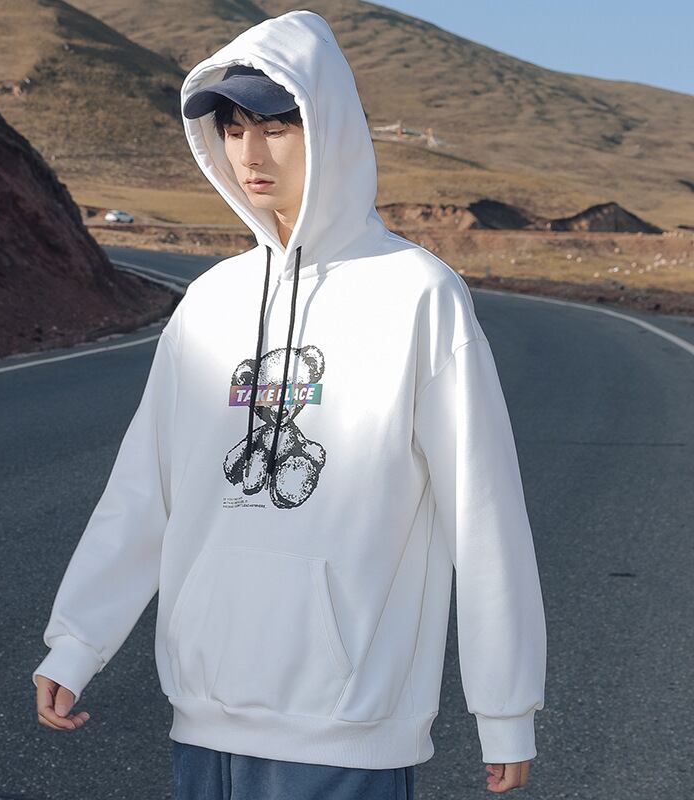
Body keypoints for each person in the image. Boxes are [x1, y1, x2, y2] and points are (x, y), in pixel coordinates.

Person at [32, 10, 547, 798]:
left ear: (328, 128)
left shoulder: (417, 295)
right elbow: (144, 490)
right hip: (204, 722)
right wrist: (77, 642)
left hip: (346, 733)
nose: (251, 153)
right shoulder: (209, 302)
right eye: (234, 128)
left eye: (277, 126)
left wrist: (505, 707)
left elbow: (484, 513)